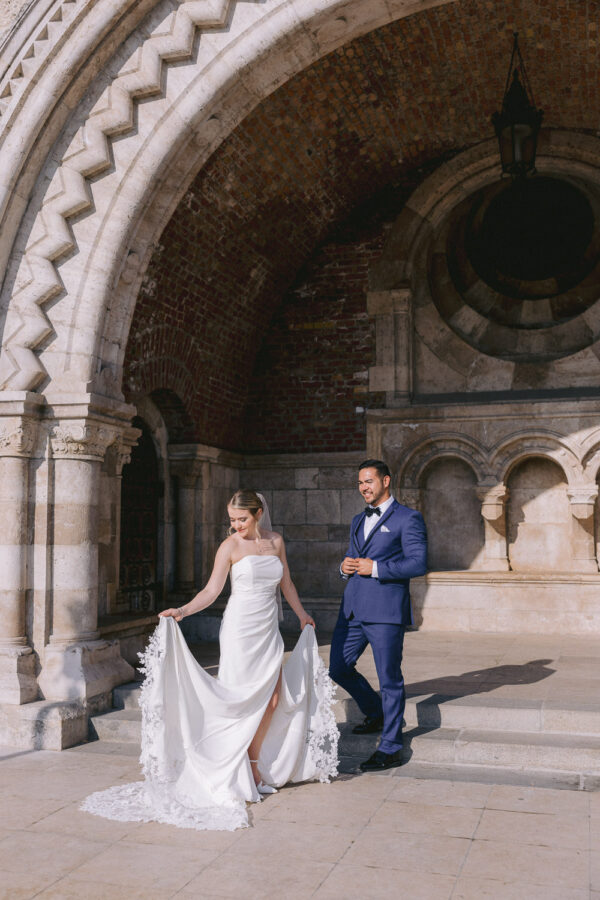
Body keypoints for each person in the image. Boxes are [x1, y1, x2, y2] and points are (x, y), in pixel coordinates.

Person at [81, 490, 338, 831]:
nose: (236, 525)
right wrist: (183, 611)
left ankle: (252, 760)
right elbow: (212, 590)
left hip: (268, 630)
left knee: (273, 699)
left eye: (242, 519)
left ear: (258, 514)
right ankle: (238, 768)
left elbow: (286, 583)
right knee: (237, 699)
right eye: (231, 519)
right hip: (239, 631)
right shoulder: (229, 546)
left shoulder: (276, 541)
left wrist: (302, 615)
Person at [329, 459, 427, 771]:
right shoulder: (358, 519)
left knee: (389, 678)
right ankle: (375, 712)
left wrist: (378, 569)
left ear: (385, 481)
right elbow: (353, 553)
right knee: (338, 667)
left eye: (368, 481)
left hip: (385, 609)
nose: (363, 488)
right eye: (360, 483)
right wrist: (345, 567)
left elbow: (417, 563)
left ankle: (391, 746)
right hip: (353, 608)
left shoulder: (408, 518)